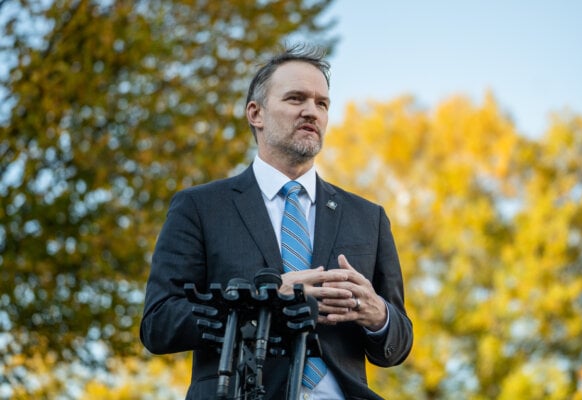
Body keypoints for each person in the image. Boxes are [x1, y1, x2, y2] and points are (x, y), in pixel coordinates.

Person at [140, 43, 413, 400]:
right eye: (295, 98)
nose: (311, 111)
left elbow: (398, 343)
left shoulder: (368, 217)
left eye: (322, 103)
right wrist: (265, 299)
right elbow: (159, 323)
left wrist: (378, 315)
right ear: (256, 113)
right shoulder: (200, 207)